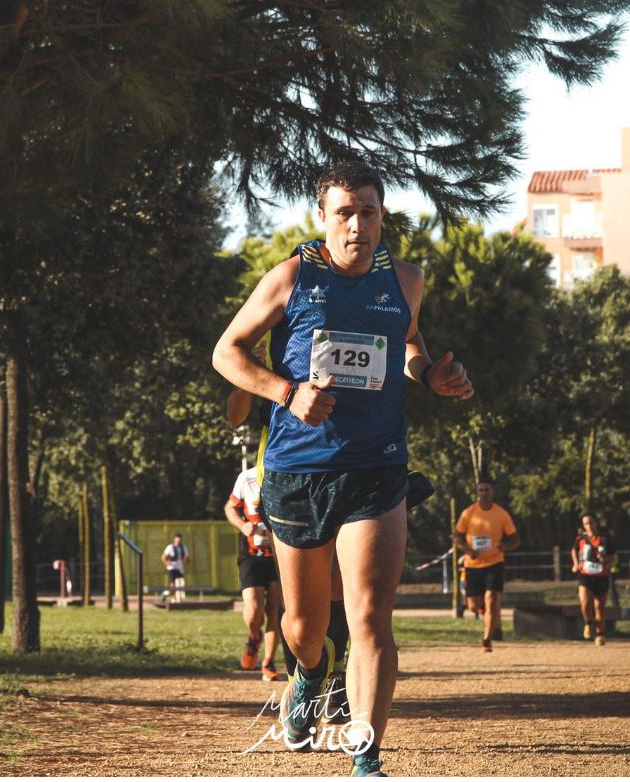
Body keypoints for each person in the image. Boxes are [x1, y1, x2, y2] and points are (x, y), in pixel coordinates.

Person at [213, 161, 473, 776]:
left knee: (371, 616)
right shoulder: (291, 277)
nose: (359, 225)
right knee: (302, 626)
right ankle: (309, 672)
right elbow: (227, 351)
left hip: (376, 467)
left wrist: (431, 375)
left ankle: (367, 753)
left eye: (370, 212)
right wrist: (285, 393)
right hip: (299, 471)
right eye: (346, 213)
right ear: (323, 219)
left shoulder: (406, 279)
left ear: (384, 215)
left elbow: (409, 345)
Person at [227, 378, 351, 721]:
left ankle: (338, 680)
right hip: (287, 476)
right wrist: (246, 381)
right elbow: (235, 417)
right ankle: (304, 681)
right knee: (299, 606)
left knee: (338, 585)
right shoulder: (271, 337)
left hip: (348, 466)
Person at [224, 465, 282, 682]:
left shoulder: (288, 470)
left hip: (278, 554)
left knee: (274, 610)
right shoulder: (246, 477)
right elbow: (230, 507)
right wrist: (243, 525)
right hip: (251, 554)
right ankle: (254, 635)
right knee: (255, 609)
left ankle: (268, 661)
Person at [453, 480, 520, 653]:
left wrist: (504, 547)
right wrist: (467, 550)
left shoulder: (501, 514)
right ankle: (480, 608)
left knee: (492, 600)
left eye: (487, 490)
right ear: (477, 492)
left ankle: (486, 640)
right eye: (481, 490)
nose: (484, 493)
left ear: (492, 492)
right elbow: (457, 536)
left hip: (494, 562)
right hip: (472, 564)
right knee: (473, 606)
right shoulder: (468, 513)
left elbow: (515, 539)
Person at [571, 513, 616, 645]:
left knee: (599, 606)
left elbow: (612, 556)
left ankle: (600, 634)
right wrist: (575, 564)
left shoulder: (605, 538)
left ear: (596, 523)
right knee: (585, 602)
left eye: (591, 522)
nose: (589, 526)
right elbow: (573, 550)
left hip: (601, 575)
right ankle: (588, 622)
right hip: (585, 574)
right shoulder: (580, 538)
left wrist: (606, 561)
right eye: (586, 523)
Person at [161, 532, 189, 602]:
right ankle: (171, 597)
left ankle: (171, 596)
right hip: (172, 569)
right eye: (177, 540)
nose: (179, 541)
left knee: (180, 586)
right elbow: (163, 557)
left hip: (180, 569)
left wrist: (186, 559)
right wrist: (167, 563)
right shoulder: (170, 547)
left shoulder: (184, 547)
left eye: (180, 540)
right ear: (174, 539)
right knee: (173, 586)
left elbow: (187, 558)